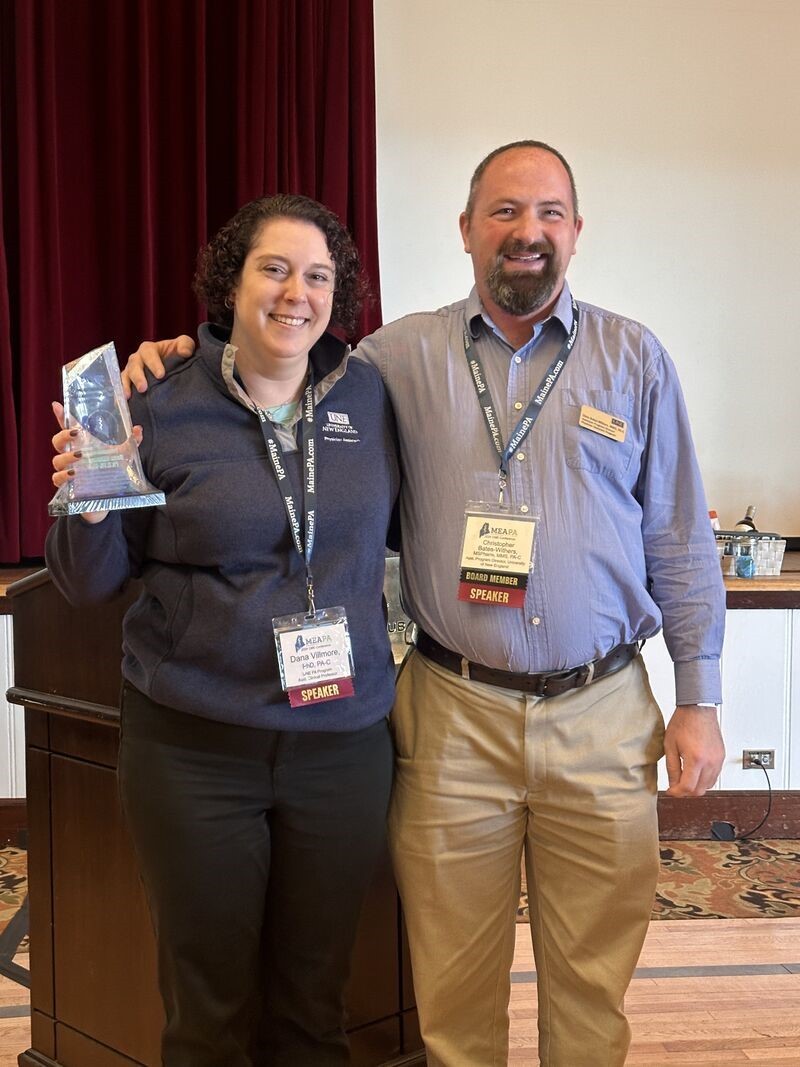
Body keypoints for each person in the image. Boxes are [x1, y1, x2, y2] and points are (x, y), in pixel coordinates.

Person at [124, 142, 726, 1067]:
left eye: (550, 213)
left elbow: (680, 537)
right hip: (453, 715)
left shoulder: (634, 357)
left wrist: (700, 694)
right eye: (505, 212)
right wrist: (173, 360)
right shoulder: (391, 360)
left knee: (594, 986)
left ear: (575, 230)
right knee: (449, 989)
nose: (528, 232)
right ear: (466, 229)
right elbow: (275, 367)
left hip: (602, 710)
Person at [46, 194, 400, 1067]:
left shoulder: (372, 395)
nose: (295, 293)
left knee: (316, 1004)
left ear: (337, 292)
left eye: (317, 275)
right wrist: (86, 493)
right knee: (208, 1010)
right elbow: (87, 583)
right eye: (273, 268)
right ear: (230, 285)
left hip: (341, 748)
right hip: (196, 750)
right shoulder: (157, 401)